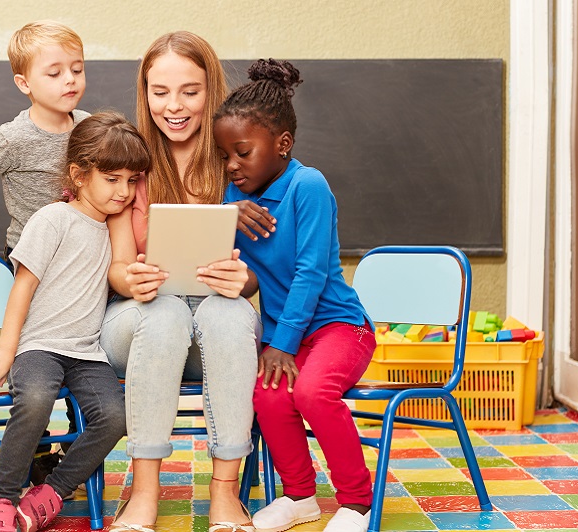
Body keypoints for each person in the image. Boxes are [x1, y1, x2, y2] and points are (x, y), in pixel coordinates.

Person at [101, 32, 273, 532]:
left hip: (211, 330)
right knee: (166, 311)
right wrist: (131, 279)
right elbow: (116, 265)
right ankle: (144, 491)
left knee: (231, 312)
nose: (173, 106)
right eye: (160, 92)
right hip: (136, 323)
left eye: (190, 91)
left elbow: (259, 274)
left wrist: (243, 281)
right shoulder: (128, 159)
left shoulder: (235, 161)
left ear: (211, 90)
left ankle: (225, 492)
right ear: (145, 92)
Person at [215, 59, 377, 532]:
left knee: (311, 391)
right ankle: (300, 497)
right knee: (267, 398)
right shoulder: (234, 199)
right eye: (225, 154)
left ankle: (357, 502)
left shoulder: (309, 185)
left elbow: (309, 274)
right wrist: (225, 214)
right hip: (288, 334)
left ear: (282, 145)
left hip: (339, 327)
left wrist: (280, 343)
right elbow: (228, 264)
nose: (232, 165)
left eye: (243, 152)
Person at [0, 112, 148, 532]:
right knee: (33, 400)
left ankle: (51, 492)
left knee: (117, 416)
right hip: (39, 347)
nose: (124, 191)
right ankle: (2, 500)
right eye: (112, 179)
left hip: (88, 353)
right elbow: (22, 288)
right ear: (79, 175)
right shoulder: (53, 219)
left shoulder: (114, 227)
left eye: (131, 180)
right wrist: (5, 351)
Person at [0, 20, 89, 488]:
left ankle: (74, 443)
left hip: (83, 259)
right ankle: (35, 446)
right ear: (24, 84)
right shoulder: (11, 137)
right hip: (31, 259)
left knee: (81, 352)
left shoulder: (89, 128)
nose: (69, 80)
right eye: (55, 73)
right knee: (36, 359)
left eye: (76, 69)